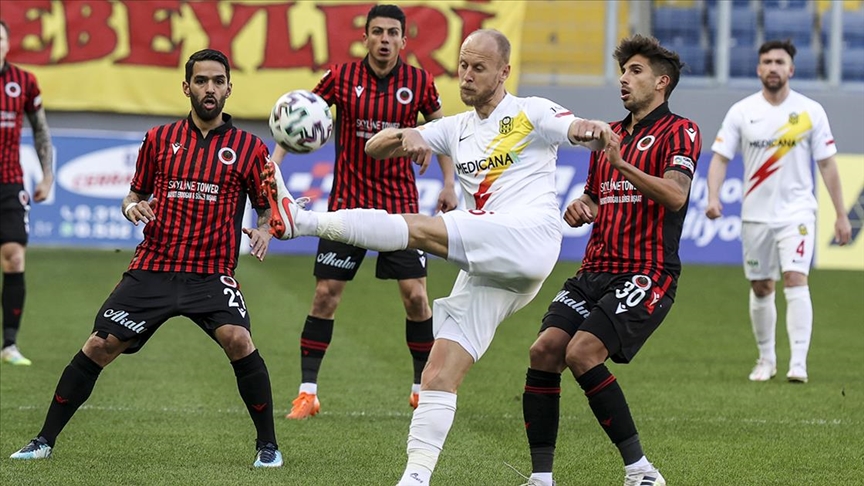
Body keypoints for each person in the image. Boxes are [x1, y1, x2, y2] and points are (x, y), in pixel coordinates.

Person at [262, 28, 616, 486]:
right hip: (494, 266)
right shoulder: (456, 128)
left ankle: (301, 223)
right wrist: (405, 134)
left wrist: (590, 129)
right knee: (438, 370)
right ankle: (415, 478)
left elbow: (576, 130)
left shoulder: (531, 112)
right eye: (463, 66)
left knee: (418, 229)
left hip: (527, 237)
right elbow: (373, 149)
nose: (466, 76)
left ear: (504, 72)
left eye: (478, 68)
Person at [9, 49, 284, 467]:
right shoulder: (158, 139)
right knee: (99, 345)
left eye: (217, 81)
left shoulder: (249, 148)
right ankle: (43, 439)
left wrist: (263, 229)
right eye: (201, 81)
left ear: (229, 87)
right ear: (186, 87)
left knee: (239, 340)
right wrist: (130, 206)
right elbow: (135, 193)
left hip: (211, 274)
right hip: (153, 267)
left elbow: (266, 206)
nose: (209, 89)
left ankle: (268, 446)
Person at [521, 35, 701, 486]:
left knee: (582, 352)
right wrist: (582, 207)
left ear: (662, 82)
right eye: (623, 70)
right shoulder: (610, 136)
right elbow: (597, 197)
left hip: (647, 271)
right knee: (544, 351)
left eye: (635, 71)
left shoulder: (681, 131)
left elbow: (676, 196)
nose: (624, 78)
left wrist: (621, 165)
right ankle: (541, 478)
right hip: (594, 269)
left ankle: (641, 471)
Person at [270, 4, 458, 420]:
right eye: (377, 32)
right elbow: (299, 118)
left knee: (415, 297)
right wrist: (273, 167)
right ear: (366, 37)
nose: (385, 39)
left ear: (404, 40)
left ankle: (418, 389)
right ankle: (307, 393)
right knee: (325, 296)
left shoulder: (420, 82)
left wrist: (449, 184)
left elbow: (443, 134)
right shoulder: (341, 77)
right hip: (347, 209)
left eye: (393, 32)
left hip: (402, 212)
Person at [706, 40, 851, 384]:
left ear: (791, 69)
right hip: (755, 215)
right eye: (767, 61)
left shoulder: (810, 111)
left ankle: (798, 362)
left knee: (795, 278)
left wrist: (841, 214)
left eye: (779, 61)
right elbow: (720, 158)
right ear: (759, 69)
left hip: (797, 213)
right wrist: (713, 196)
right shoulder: (742, 111)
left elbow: (828, 165)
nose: (773, 67)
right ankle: (766, 358)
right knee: (761, 286)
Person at [0, 19, 54, 366]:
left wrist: (48, 176)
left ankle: (9, 345)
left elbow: (40, 131)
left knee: (14, 257)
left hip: (9, 182)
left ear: (7, 44)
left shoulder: (24, 82)